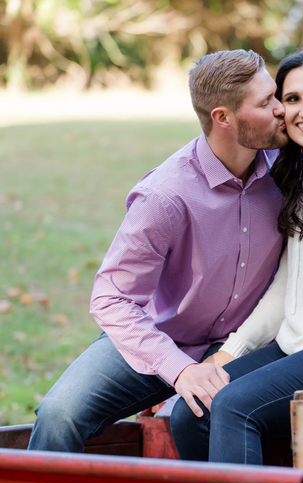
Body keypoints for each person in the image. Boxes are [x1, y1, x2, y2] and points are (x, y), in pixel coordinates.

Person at [28, 49, 289, 452]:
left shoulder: (289, 166)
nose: (281, 110)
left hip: (243, 341)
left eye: (276, 95)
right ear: (223, 118)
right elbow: (111, 299)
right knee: (58, 415)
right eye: (265, 103)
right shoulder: (164, 196)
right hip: (163, 339)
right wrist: (180, 369)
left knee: (206, 413)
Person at [170, 50, 303, 465]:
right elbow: (285, 286)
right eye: (291, 99)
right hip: (299, 345)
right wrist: (230, 354)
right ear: (278, 108)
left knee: (233, 406)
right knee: (192, 410)